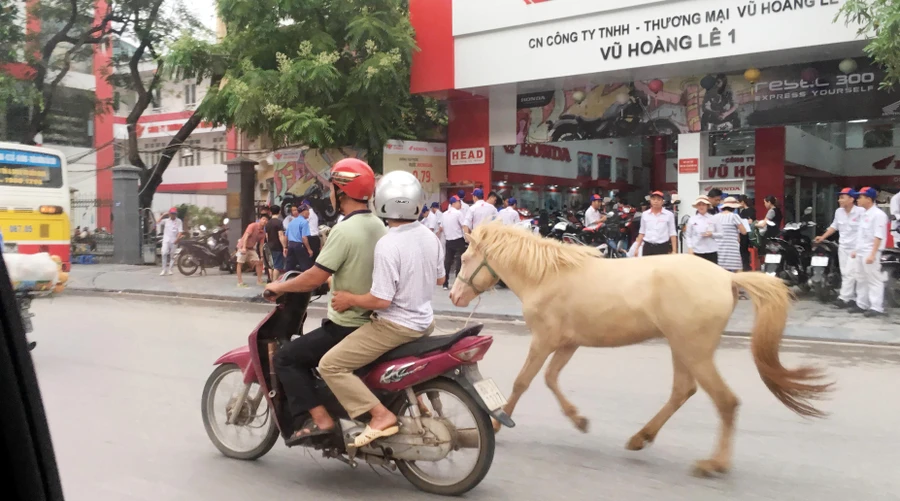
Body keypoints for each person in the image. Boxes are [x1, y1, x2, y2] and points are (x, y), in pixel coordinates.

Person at [318, 170, 444, 447]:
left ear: (382, 201)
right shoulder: (429, 236)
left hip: (396, 326)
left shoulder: (388, 243)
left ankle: (379, 415)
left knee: (331, 365)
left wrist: (349, 298)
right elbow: (440, 278)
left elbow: (381, 301)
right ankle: (415, 402)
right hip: (425, 321)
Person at [266, 158, 386, 445]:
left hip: (347, 324)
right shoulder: (379, 225)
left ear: (340, 191)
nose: (330, 193)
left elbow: (313, 277)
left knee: (286, 357)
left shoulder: (344, 230)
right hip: (372, 321)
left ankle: (321, 419)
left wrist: (279, 286)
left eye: (332, 188)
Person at [814, 188, 865, 308]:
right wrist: (822, 237)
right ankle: (852, 298)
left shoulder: (861, 212)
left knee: (851, 272)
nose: (839, 200)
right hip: (843, 246)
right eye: (839, 197)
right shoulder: (839, 212)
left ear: (852, 199)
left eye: (842, 197)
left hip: (856, 248)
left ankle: (843, 298)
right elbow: (834, 226)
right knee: (845, 273)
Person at [850, 187, 888, 317]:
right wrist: (856, 250)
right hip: (861, 251)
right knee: (860, 278)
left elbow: (878, 236)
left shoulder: (878, 215)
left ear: (869, 199)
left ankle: (876, 307)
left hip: (871, 252)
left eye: (860, 197)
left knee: (874, 279)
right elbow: (861, 235)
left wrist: (872, 254)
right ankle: (862, 304)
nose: (857, 200)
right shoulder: (864, 214)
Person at [633, 191, 677, 256]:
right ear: (650, 201)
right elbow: (642, 232)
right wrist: (636, 248)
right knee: (647, 265)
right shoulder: (645, 214)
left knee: (661, 266)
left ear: (662, 201)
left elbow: (672, 233)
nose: (656, 201)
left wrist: (674, 250)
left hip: (662, 246)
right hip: (648, 246)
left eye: (658, 199)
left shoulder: (669, 215)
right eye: (653, 199)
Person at [713, 197, 748, 273]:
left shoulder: (715, 217)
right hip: (731, 249)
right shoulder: (734, 216)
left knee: (721, 271)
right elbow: (744, 231)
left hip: (719, 248)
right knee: (738, 270)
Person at [441, 196, 466, 290]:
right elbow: (464, 225)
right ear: (454, 203)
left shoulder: (444, 214)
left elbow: (442, 227)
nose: (460, 204)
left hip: (449, 240)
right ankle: (458, 283)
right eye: (459, 202)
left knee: (448, 262)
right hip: (458, 240)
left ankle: (445, 283)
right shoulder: (458, 213)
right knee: (459, 262)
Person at [236, 212, 268, 287]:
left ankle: (259, 280)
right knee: (240, 263)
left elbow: (261, 245)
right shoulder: (252, 226)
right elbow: (246, 237)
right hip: (242, 246)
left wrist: (262, 256)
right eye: (263, 219)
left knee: (258, 262)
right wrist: (243, 247)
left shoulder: (263, 232)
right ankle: (240, 282)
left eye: (266, 220)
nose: (264, 221)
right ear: (260, 219)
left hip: (251, 248)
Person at [685, 196, 718, 264]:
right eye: (699, 205)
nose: (701, 207)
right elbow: (688, 235)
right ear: (697, 206)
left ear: (707, 206)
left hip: (711, 250)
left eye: (703, 204)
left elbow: (721, 234)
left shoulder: (714, 218)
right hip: (697, 250)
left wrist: (712, 234)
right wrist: (690, 247)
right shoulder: (692, 219)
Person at [285, 204, 314, 272]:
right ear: (303, 212)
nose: (309, 213)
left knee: (290, 267)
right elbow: (304, 238)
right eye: (308, 211)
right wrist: (309, 249)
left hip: (291, 245)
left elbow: (286, 236)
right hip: (299, 245)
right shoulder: (304, 222)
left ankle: (288, 280)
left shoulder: (291, 222)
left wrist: (286, 247)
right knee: (306, 267)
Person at [158, 207, 183, 276]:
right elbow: (157, 222)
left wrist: (177, 239)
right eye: (172, 214)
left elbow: (180, 231)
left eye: (174, 214)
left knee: (172, 255)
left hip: (174, 240)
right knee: (164, 253)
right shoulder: (166, 221)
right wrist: (163, 215)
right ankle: (163, 269)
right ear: (169, 214)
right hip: (166, 240)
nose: (173, 215)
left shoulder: (179, 221)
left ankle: (170, 270)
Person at [266, 205, 286, 281]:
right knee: (277, 266)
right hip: (277, 247)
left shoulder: (268, 223)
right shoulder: (279, 222)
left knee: (270, 265)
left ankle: (270, 279)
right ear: (279, 212)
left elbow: (267, 236)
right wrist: (284, 246)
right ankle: (274, 281)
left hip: (269, 246)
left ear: (270, 212)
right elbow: (280, 235)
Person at [737, 195, 756, 271]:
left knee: (743, 249)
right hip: (750, 233)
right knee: (745, 250)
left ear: (742, 202)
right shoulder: (752, 210)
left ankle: (746, 266)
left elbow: (750, 221)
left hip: (745, 232)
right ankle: (747, 265)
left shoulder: (744, 212)